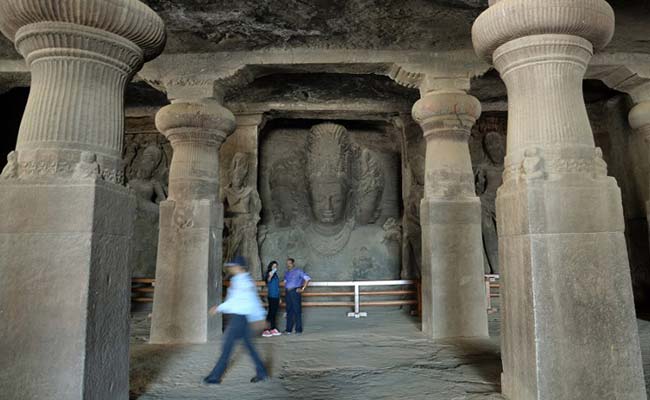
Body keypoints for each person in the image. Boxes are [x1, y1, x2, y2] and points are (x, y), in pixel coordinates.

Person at [204, 256, 269, 384]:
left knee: (227, 348)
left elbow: (234, 301)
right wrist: (260, 317)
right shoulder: (247, 280)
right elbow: (254, 300)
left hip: (239, 319)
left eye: (232, 266)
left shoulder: (239, 281)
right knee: (249, 347)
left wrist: (219, 308)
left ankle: (214, 377)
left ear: (238, 267)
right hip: (245, 319)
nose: (230, 268)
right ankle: (262, 372)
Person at [283, 258, 311, 335]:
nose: (288, 265)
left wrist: (303, 288)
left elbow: (307, 279)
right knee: (289, 311)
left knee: (297, 311)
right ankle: (288, 329)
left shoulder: (298, 271)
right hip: (288, 292)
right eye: (287, 263)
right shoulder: (286, 273)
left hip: (295, 292)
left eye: (289, 263)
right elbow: (285, 282)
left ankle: (298, 330)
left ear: (293, 264)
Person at [262, 261, 282, 337]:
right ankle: (265, 330)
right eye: (273, 266)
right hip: (271, 296)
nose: (275, 267)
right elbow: (268, 280)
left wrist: (279, 297)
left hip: (276, 296)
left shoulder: (276, 275)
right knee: (271, 313)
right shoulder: (269, 274)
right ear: (270, 266)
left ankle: (272, 329)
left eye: (276, 266)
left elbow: (277, 287)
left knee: (274, 313)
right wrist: (272, 272)